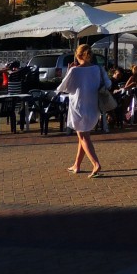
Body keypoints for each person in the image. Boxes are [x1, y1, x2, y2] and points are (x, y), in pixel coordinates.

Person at [56, 44, 105, 178]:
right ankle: (77, 164)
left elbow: (64, 87)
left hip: (79, 105)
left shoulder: (75, 70)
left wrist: (69, 70)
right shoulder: (96, 68)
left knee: (83, 136)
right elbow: (103, 83)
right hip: (92, 104)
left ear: (77, 56)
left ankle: (96, 164)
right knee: (82, 136)